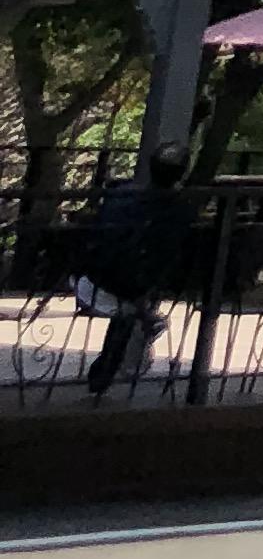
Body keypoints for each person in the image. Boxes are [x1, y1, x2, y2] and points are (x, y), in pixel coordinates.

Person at [77, 148, 194, 401]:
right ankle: (123, 353)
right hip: (128, 285)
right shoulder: (178, 210)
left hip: (92, 278)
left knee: (130, 305)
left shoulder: (120, 194)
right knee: (132, 304)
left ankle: (111, 365)